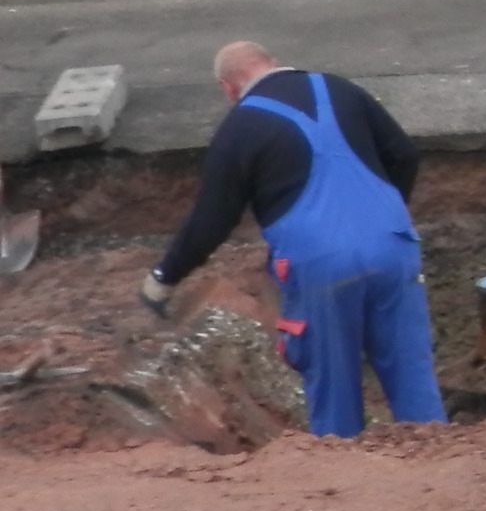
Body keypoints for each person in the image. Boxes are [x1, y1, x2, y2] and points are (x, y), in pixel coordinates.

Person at [143, 41, 445, 439]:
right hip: (394, 246)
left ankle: (347, 482)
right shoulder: (340, 88)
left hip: (322, 266)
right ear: (274, 64)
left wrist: (164, 277)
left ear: (228, 89)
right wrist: (382, 220)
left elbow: (211, 221)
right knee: (412, 375)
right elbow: (404, 154)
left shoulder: (238, 130)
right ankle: (439, 466)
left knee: (334, 390)